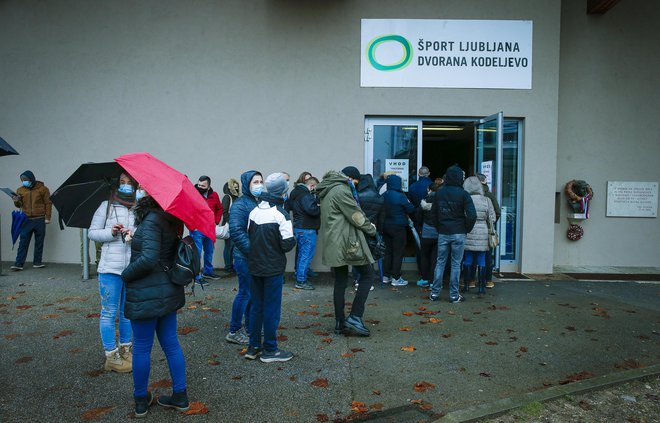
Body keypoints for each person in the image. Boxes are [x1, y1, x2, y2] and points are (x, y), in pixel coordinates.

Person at [120, 187, 189, 417]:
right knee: (171, 344)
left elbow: (149, 259)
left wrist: (126, 274)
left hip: (145, 293)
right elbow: (159, 252)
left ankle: (141, 399)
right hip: (167, 290)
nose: (139, 191)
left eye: (143, 189)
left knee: (141, 347)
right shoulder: (170, 219)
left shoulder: (151, 220)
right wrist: (135, 237)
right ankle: (180, 395)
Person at [316, 166, 377, 337]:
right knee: (368, 275)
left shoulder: (329, 188)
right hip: (345, 241)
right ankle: (355, 316)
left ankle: (339, 322)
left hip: (334, 241)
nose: (356, 185)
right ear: (350, 177)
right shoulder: (341, 190)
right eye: (356, 181)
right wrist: (372, 230)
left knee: (340, 282)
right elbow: (356, 216)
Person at [88, 172, 137, 373]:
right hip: (110, 269)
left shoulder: (138, 208)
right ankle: (111, 356)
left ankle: (126, 349)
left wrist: (134, 234)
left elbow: (144, 235)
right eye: (122, 183)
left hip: (131, 269)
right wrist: (111, 232)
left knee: (127, 313)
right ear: (116, 186)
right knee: (109, 312)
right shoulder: (105, 206)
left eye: (129, 183)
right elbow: (92, 232)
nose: (126, 186)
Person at [245, 173, 296, 362]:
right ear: (283, 191)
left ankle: (253, 347)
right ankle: (270, 350)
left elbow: (250, 235)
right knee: (272, 309)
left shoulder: (254, 211)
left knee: (256, 307)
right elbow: (287, 244)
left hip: (255, 266)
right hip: (273, 268)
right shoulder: (281, 214)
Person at [429, 165, 476, 303]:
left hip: (443, 232)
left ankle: (434, 293)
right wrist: (466, 228)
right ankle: (454, 295)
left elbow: (433, 214)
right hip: (459, 232)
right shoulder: (464, 194)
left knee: (440, 263)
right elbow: (472, 215)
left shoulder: (439, 193)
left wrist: (439, 227)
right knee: (456, 264)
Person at [226, 170, 263, 345]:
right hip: (244, 257)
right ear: (247, 184)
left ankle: (250, 326)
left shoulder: (258, 201)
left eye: (260, 181)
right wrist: (252, 251)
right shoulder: (240, 205)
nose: (259, 185)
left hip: (255, 256)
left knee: (252, 294)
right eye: (255, 182)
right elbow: (236, 231)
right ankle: (234, 330)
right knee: (245, 293)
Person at [462, 176, 497, 295]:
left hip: (468, 231)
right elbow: (492, 217)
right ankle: (481, 288)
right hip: (483, 232)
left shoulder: (466, 199)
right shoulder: (486, 200)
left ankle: (466, 285)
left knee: (467, 259)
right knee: (482, 260)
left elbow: (462, 216)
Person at [11, 170, 52, 270]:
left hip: (40, 219)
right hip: (26, 220)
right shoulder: (20, 190)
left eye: (26, 180)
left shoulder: (43, 189)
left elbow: (48, 203)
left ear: (32, 179)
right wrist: (16, 201)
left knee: (39, 242)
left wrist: (47, 217)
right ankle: (18, 264)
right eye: (22, 180)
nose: (24, 182)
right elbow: (19, 205)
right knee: (23, 242)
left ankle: (37, 262)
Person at [382, 174, 415, 287]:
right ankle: (396, 277)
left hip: (385, 227)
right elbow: (411, 209)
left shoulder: (383, 195)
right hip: (398, 227)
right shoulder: (401, 196)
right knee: (398, 252)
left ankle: (386, 276)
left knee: (388, 252)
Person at [288, 176, 320, 290]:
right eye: (315, 188)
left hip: (300, 227)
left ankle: (299, 276)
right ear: (312, 186)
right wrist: (319, 205)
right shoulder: (306, 195)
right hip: (307, 228)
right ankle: (301, 280)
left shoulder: (297, 193)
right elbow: (312, 210)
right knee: (306, 255)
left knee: (302, 254)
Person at [354, 173, 385, 289]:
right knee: (370, 256)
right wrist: (379, 232)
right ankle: (368, 281)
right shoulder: (379, 197)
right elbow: (381, 218)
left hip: (358, 229)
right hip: (372, 230)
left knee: (356, 255)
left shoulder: (357, 196)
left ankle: (357, 280)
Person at [190, 176, 223, 282]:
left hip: (209, 229)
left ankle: (208, 272)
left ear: (208, 187)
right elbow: (187, 211)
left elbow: (219, 208)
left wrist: (216, 221)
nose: (200, 187)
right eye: (199, 185)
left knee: (209, 251)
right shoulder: (192, 194)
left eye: (203, 186)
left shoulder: (214, 195)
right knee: (197, 253)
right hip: (197, 230)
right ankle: (196, 276)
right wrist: (192, 226)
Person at [477, 173, 501, 289]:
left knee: (471, 254)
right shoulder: (490, 196)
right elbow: (497, 212)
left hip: (472, 231)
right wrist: (490, 224)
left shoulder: (470, 195)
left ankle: (470, 280)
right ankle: (487, 280)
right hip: (487, 231)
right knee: (487, 256)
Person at [416, 182, 440, 287]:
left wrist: (420, 228)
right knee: (435, 257)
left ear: (429, 190)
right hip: (438, 233)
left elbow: (418, 217)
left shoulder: (424, 201)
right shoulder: (441, 201)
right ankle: (433, 281)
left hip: (426, 233)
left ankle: (424, 279)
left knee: (424, 256)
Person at [221, 178, 240, 274]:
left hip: (237, 226)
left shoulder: (238, 198)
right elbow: (224, 212)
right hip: (230, 225)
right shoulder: (227, 197)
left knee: (235, 247)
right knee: (229, 246)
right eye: (234, 187)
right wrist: (231, 223)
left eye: (237, 187)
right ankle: (228, 267)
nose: (236, 189)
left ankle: (233, 267)